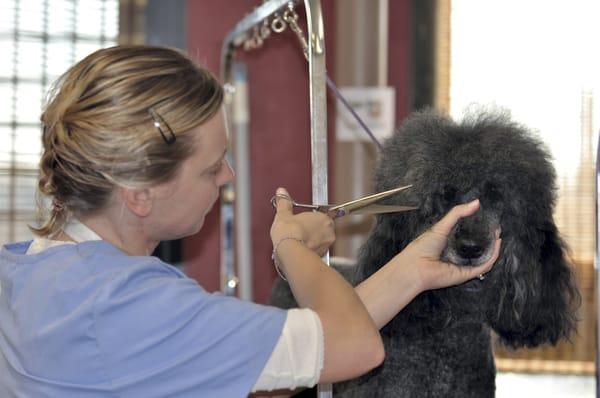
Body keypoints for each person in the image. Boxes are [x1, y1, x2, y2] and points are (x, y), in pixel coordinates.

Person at [0, 45, 501, 397]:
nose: (228, 175)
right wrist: (292, 249)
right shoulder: (130, 305)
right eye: (211, 166)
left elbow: (295, 346)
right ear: (140, 195)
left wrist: (413, 271)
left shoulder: (34, 274)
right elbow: (353, 346)